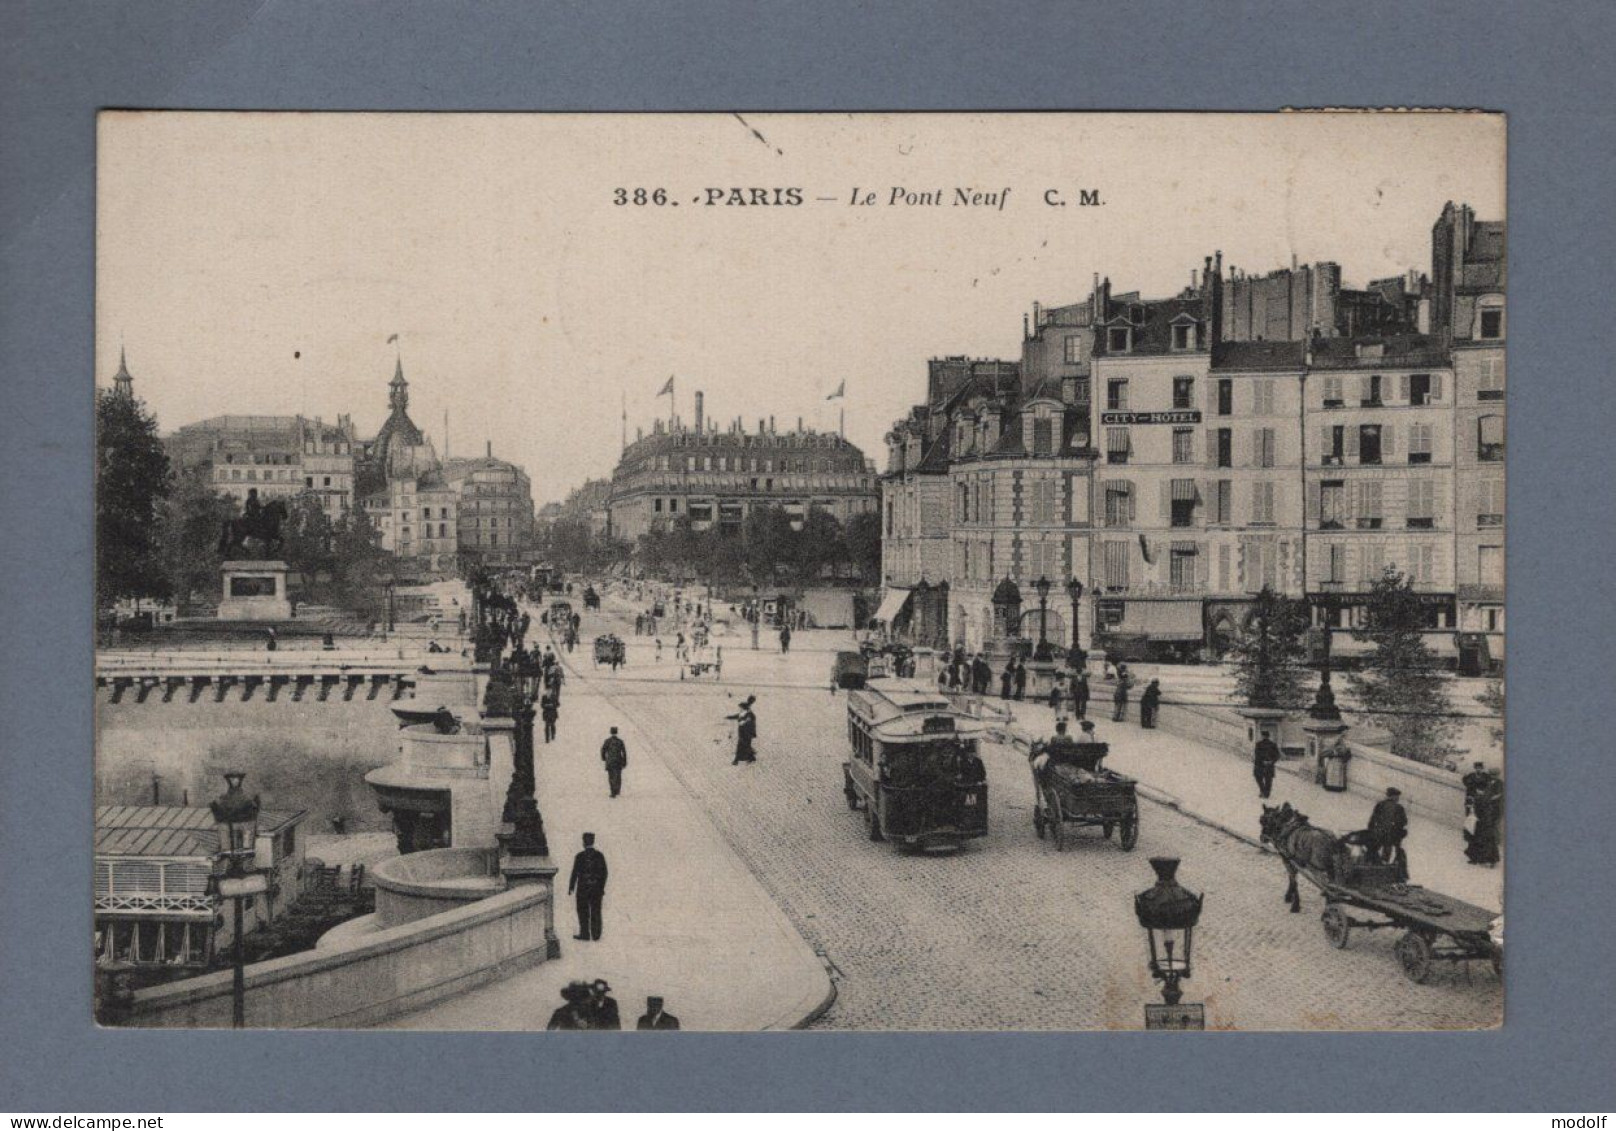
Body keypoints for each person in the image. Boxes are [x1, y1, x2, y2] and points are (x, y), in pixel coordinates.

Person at [568, 832, 608, 941]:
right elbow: (604, 873)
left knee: (583, 911)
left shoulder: (579, 856)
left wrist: (571, 887)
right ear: (593, 842)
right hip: (596, 890)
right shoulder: (599, 856)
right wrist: (601, 887)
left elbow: (575, 873)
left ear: (584, 843)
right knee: (596, 911)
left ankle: (585, 934)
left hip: (583, 889)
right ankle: (596, 935)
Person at [1367, 787, 1409, 876]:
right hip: (1390, 835)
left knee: (1373, 850)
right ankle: (1384, 866)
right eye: (1397, 796)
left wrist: (1371, 831)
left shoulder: (1380, 805)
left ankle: (1372, 865)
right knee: (1387, 851)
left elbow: (1372, 820)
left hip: (1377, 833)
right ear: (1393, 796)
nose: (1398, 798)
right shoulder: (1399, 808)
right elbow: (1404, 822)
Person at [1466, 768, 1503, 867]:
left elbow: (1497, 797)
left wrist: (1488, 798)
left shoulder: (1499, 784)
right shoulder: (1487, 781)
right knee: (1476, 835)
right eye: (1491, 774)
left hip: (1490, 813)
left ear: (1498, 775)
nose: (1492, 776)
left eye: (1494, 775)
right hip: (1481, 810)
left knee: (1488, 837)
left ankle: (1492, 860)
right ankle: (1475, 858)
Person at [727, 696, 759, 764]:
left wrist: (741, 721)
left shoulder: (749, 714)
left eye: (740, 708)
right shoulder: (745, 713)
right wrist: (730, 717)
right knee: (746, 745)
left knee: (742, 745)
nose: (739, 709)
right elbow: (738, 716)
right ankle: (751, 757)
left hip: (747, 733)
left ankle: (736, 760)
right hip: (743, 732)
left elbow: (744, 721)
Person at [600, 726, 628, 798]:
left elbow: (603, 750)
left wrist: (604, 758)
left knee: (611, 776)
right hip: (618, 761)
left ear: (610, 732)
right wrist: (624, 761)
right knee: (618, 776)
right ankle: (617, 790)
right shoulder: (620, 741)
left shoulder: (607, 741)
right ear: (617, 732)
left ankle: (613, 791)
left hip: (610, 761)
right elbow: (624, 752)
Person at [1253, 733, 1281, 799]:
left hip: (1260, 765)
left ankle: (1263, 791)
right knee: (1268, 780)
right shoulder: (1273, 744)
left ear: (1262, 736)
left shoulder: (1259, 744)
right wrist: (1271, 761)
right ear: (1269, 736)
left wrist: (1263, 762)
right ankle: (1266, 793)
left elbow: (1257, 755)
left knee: (1259, 778)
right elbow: (1277, 755)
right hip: (1269, 765)